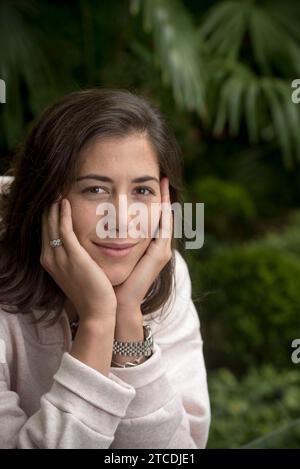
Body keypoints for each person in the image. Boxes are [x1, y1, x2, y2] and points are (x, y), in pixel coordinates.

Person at [0, 88, 210, 449]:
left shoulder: (163, 273)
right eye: (95, 190)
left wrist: (127, 318)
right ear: (45, 195)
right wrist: (98, 321)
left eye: (142, 191)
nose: (121, 220)